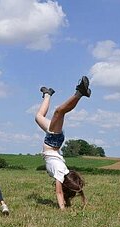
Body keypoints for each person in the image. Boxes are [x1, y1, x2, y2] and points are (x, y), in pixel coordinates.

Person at [34, 76, 90, 210]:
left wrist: (65, 204)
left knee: (39, 117)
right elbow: (59, 192)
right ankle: (80, 93)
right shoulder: (61, 173)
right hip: (53, 141)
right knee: (59, 111)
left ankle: (48, 94)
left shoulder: (63, 172)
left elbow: (60, 192)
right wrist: (63, 208)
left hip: (54, 141)